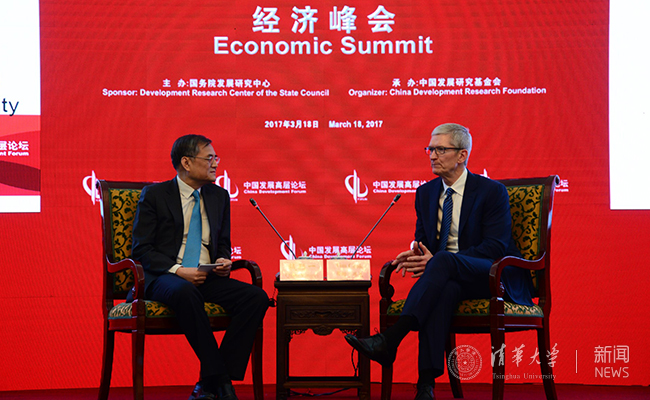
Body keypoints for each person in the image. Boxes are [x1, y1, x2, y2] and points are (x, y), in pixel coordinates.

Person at [345, 123, 534, 400]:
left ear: (462, 155)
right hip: (448, 277)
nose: (432, 156)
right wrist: (417, 254)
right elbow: (424, 241)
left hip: (492, 275)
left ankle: (392, 338)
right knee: (444, 291)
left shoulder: (491, 191)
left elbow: (495, 246)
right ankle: (425, 386)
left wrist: (441, 260)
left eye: (441, 149)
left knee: (444, 261)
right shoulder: (425, 193)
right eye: (430, 149)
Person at [132, 134, 269, 400]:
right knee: (185, 291)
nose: (215, 164)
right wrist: (178, 270)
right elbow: (141, 250)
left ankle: (210, 382)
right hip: (164, 277)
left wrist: (223, 261)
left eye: (216, 158)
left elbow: (223, 244)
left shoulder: (219, 196)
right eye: (209, 158)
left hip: (206, 276)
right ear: (186, 162)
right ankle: (221, 382)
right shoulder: (156, 195)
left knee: (256, 298)